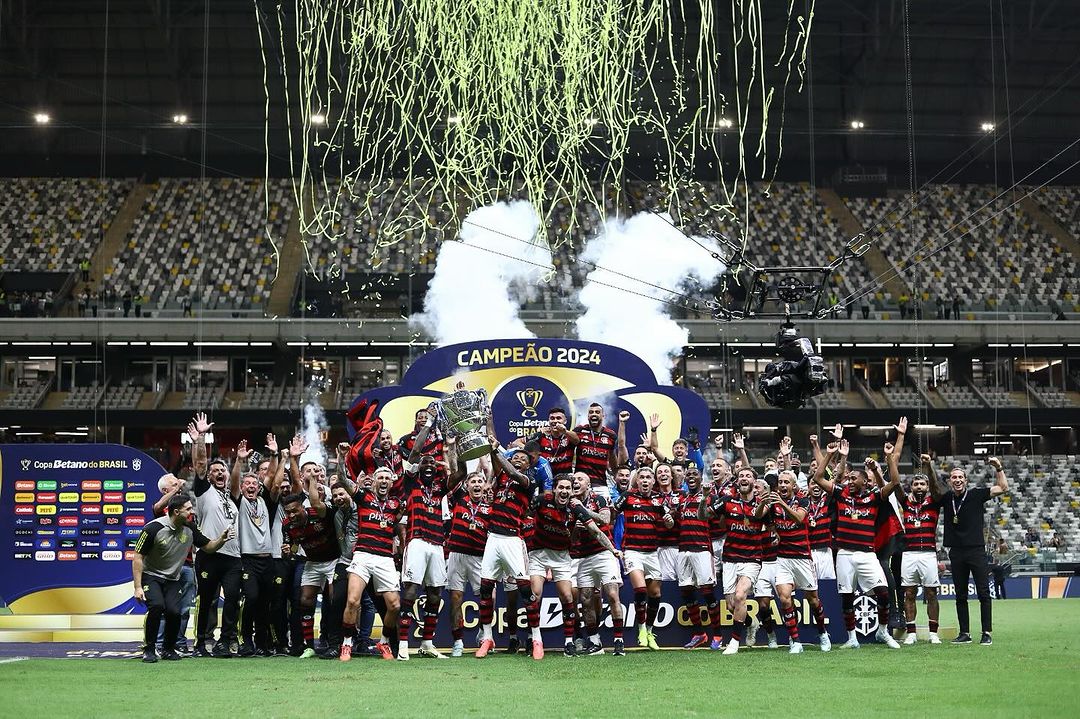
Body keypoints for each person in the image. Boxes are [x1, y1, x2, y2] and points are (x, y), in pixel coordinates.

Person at [811, 431, 904, 650]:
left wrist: (889, 458)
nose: (850, 481)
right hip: (844, 553)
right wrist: (829, 454)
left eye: (854, 478)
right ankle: (851, 638)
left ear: (864, 480)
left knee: (882, 592)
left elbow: (896, 481)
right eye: (849, 478)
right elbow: (818, 478)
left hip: (866, 553)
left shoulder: (873, 497)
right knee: (847, 596)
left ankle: (882, 632)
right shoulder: (841, 493)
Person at [133, 494, 232, 663]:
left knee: (174, 611)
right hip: (152, 576)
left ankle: (168, 649)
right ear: (176, 512)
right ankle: (149, 649)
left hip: (173, 578)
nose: (191, 512)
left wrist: (221, 540)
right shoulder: (153, 528)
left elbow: (208, 547)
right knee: (157, 606)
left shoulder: (191, 528)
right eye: (188, 509)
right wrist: (138, 587)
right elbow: (137, 557)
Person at [529, 474, 619, 657]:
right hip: (538, 553)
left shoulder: (575, 508)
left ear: (571, 492)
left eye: (567, 488)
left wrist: (613, 549)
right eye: (561, 487)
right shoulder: (541, 501)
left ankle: (568, 642)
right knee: (535, 595)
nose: (564, 491)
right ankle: (535, 639)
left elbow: (596, 530)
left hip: (562, 555)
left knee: (568, 596)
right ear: (554, 489)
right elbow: (524, 514)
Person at [398, 407, 458, 660]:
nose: (429, 463)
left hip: (436, 545)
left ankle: (427, 643)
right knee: (411, 592)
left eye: (432, 461)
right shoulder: (410, 483)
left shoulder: (439, 489)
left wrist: (455, 445)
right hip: (417, 542)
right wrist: (429, 424)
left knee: (435, 594)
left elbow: (460, 473)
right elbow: (414, 452)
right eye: (425, 462)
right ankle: (402, 646)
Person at [187, 413, 244, 658]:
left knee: (232, 598)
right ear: (209, 476)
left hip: (233, 557)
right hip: (209, 554)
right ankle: (203, 640)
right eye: (216, 470)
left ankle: (229, 639)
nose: (220, 473)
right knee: (207, 600)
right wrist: (200, 438)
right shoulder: (203, 492)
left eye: (223, 470)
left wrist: (240, 461)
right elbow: (200, 463)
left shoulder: (232, 499)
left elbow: (236, 480)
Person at [759, 470, 831, 653]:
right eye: (780, 482)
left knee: (813, 600)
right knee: (784, 599)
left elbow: (799, 518)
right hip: (783, 558)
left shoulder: (803, 500)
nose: (783, 485)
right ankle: (796, 641)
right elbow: (763, 520)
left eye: (786, 482)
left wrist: (781, 503)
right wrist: (771, 525)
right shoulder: (773, 504)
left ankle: (823, 633)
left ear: (793, 486)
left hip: (802, 558)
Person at [474, 442, 535, 658]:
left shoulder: (529, 481)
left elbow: (507, 468)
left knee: (525, 590)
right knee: (485, 588)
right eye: (515, 457)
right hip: (493, 537)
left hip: (513, 540)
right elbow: (498, 466)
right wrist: (492, 447)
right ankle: (488, 638)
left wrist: (499, 452)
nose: (517, 460)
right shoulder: (501, 479)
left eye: (522, 459)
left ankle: (536, 639)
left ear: (529, 465)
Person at [339, 467, 405, 661]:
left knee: (394, 606)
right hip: (363, 555)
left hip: (385, 558)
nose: (383, 481)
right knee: (353, 601)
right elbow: (343, 479)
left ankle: (384, 641)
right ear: (374, 481)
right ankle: (347, 644)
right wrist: (342, 458)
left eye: (387, 478)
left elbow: (397, 524)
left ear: (391, 483)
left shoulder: (396, 505)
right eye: (380, 478)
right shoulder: (363, 497)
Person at [941, 457, 1008, 645]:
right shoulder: (947, 498)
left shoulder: (977, 494)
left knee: (984, 593)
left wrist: (998, 467)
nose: (957, 480)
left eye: (960, 477)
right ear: (950, 481)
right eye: (954, 477)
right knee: (960, 595)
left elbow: (1003, 488)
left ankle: (986, 632)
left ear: (966, 480)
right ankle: (965, 633)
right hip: (956, 552)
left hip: (976, 551)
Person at [699, 466, 764, 654]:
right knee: (731, 606)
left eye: (748, 476)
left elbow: (769, 523)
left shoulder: (762, 503)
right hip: (730, 558)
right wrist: (704, 498)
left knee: (740, 595)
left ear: (754, 482)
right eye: (741, 476)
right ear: (737, 481)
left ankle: (734, 643)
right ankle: (751, 623)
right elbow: (704, 516)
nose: (744, 478)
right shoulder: (727, 501)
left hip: (751, 558)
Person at [281, 467, 340, 659]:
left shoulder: (318, 512)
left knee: (333, 600)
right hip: (312, 562)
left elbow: (316, 500)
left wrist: (313, 479)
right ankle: (309, 645)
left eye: (294, 511)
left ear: (302, 507)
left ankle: (334, 643)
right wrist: (287, 551)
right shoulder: (287, 525)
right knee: (305, 600)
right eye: (287, 512)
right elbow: (291, 549)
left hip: (333, 561)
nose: (291, 515)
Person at [612, 465, 673, 651]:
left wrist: (669, 521)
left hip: (652, 552)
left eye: (648, 477)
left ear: (653, 481)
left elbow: (669, 522)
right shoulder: (627, 496)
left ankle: (649, 630)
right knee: (640, 589)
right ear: (637, 481)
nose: (645, 480)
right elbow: (611, 513)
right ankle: (640, 629)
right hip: (632, 551)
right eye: (642, 478)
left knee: (655, 594)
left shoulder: (659, 499)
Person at [570, 471, 625, 655]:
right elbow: (571, 537)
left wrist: (584, 511)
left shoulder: (599, 499)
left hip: (604, 553)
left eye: (580, 479)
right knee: (585, 599)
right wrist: (576, 530)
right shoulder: (569, 504)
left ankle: (619, 640)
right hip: (584, 556)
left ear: (588, 485)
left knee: (611, 594)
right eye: (574, 480)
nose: (576, 482)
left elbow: (605, 520)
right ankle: (595, 642)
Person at [897, 453, 946, 645]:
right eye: (916, 484)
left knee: (931, 593)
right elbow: (896, 485)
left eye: (922, 484)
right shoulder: (905, 502)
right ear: (911, 487)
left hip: (928, 553)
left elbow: (936, 487)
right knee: (909, 593)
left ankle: (933, 633)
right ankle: (911, 633)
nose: (919, 487)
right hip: (909, 553)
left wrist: (929, 467)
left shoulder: (934, 502)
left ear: (926, 488)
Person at [677, 465, 723, 650]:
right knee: (686, 591)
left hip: (702, 548)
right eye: (688, 474)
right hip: (683, 549)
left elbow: (719, 521)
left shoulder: (711, 497)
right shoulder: (681, 498)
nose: (691, 477)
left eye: (694, 474)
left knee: (707, 591)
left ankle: (718, 635)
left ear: (701, 476)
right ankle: (699, 634)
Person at [445, 471, 490, 657]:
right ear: (467, 485)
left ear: (485, 486)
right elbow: (455, 476)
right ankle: (458, 642)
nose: (477, 484)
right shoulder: (459, 499)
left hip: (479, 558)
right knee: (456, 598)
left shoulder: (490, 508)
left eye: (480, 481)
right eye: (473, 481)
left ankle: (483, 632)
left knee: (487, 599)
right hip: (456, 554)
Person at [572, 403, 628, 488]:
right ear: (588, 416)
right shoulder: (579, 431)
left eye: (597, 412)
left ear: (603, 416)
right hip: (580, 483)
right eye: (591, 412)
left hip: (600, 484)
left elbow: (613, 457)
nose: (594, 414)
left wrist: (615, 474)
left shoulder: (611, 435)